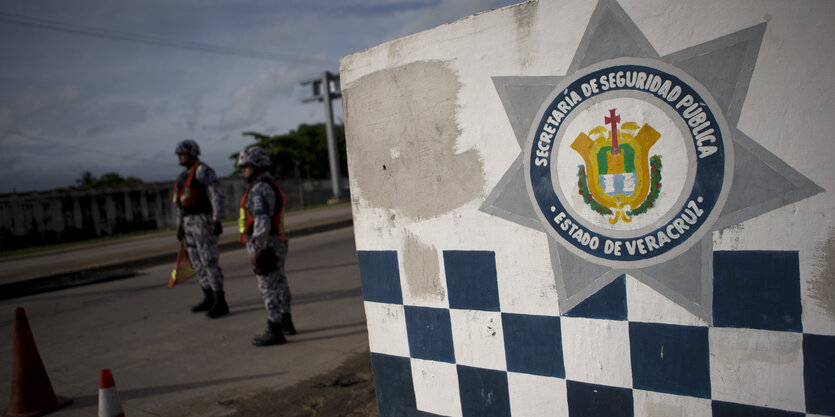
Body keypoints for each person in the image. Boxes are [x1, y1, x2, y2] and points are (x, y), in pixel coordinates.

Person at [236, 146, 296, 346]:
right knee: (279, 283)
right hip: (277, 240)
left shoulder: (260, 189)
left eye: (246, 166)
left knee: (268, 288)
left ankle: (274, 329)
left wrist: (256, 248)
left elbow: (261, 221)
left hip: (266, 244)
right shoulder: (270, 184)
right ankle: (286, 321)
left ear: (257, 166)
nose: (243, 170)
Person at [173, 139, 228, 318]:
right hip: (188, 223)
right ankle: (208, 296)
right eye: (179, 155)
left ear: (193, 154)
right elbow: (180, 204)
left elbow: (215, 195)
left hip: (203, 220)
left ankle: (220, 300)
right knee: (197, 263)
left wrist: (216, 218)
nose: (181, 157)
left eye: (184, 154)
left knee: (209, 261)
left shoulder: (203, 171)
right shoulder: (182, 177)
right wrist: (179, 225)